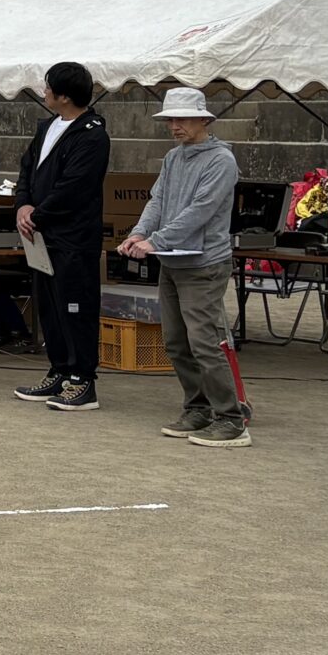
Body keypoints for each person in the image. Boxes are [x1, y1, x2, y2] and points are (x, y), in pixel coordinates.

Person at [117, 87, 248, 446]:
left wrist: (155, 240)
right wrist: (139, 232)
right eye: (171, 119)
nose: (174, 125)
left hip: (204, 263)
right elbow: (157, 200)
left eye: (182, 118)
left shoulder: (221, 160)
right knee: (176, 342)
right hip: (173, 261)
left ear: (204, 120)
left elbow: (201, 210)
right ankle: (198, 408)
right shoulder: (174, 158)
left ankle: (231, 417)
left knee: (203, 341)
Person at [14, 60, 112, 413]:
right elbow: (27, 169)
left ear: (65, 95)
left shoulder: (92, 135)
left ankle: (82, 379)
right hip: (43, 236)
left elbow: (75, 186)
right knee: (50, 307)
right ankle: (58, 370)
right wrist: (23, 205)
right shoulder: (47, 127)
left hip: (73, 237)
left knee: (76, 307)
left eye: (49, 87)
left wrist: (38, 214)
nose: (44, 92)